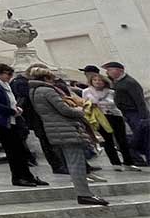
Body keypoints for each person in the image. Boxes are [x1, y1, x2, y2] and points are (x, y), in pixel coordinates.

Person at [28, 65, 108, 207]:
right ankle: (84, 194)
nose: (53, 81)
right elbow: (64, 110)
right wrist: (80, 110)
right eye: (51, 78)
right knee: (76, 162)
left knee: (73, 161)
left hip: (54, 129)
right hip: (64, 128)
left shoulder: (34, 91)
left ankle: (84, 193)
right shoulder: (47, 90)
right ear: (46, 78)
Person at [0, 63, 46, 187]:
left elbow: (8, 99)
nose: (10, 77)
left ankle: (28, 176)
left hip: (11, 119)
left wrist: (15, 108)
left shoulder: (3, 84)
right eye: (8, 74)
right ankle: (18, 177)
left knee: (20, 149)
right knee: (13, 151)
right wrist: (11, 111)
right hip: (1, 121)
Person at [81, 69, 138, 171]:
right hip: (100, 116)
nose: (98, 82)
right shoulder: (86, 91)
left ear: (105, 82)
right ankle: (115, 163)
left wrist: (100, 103)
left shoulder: (111, 92)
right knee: (107, 140)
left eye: (100, 80)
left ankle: (128, 162)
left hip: (115, 115)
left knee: (122, 139)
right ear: (91, 81)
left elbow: (115, 103)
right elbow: (85, 104)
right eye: (95, 80)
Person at [12, 67, 65, 174]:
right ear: (45, 78)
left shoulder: (31, 88)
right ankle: (58, 165)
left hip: (40, 119)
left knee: (48, 143)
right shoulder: (42, 89)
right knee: (49, 144)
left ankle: (59, 165)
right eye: (51, 78)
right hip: (43, 119)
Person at [106, 62, 150, 167]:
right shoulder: (117, 82)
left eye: (110, 69)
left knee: (144, 137)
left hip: (135, 113)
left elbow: (139, 100)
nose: (107, 72)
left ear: (119, 70)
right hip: (126, 113)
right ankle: (138, 159)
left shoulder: (129, 82)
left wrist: (144, 117)